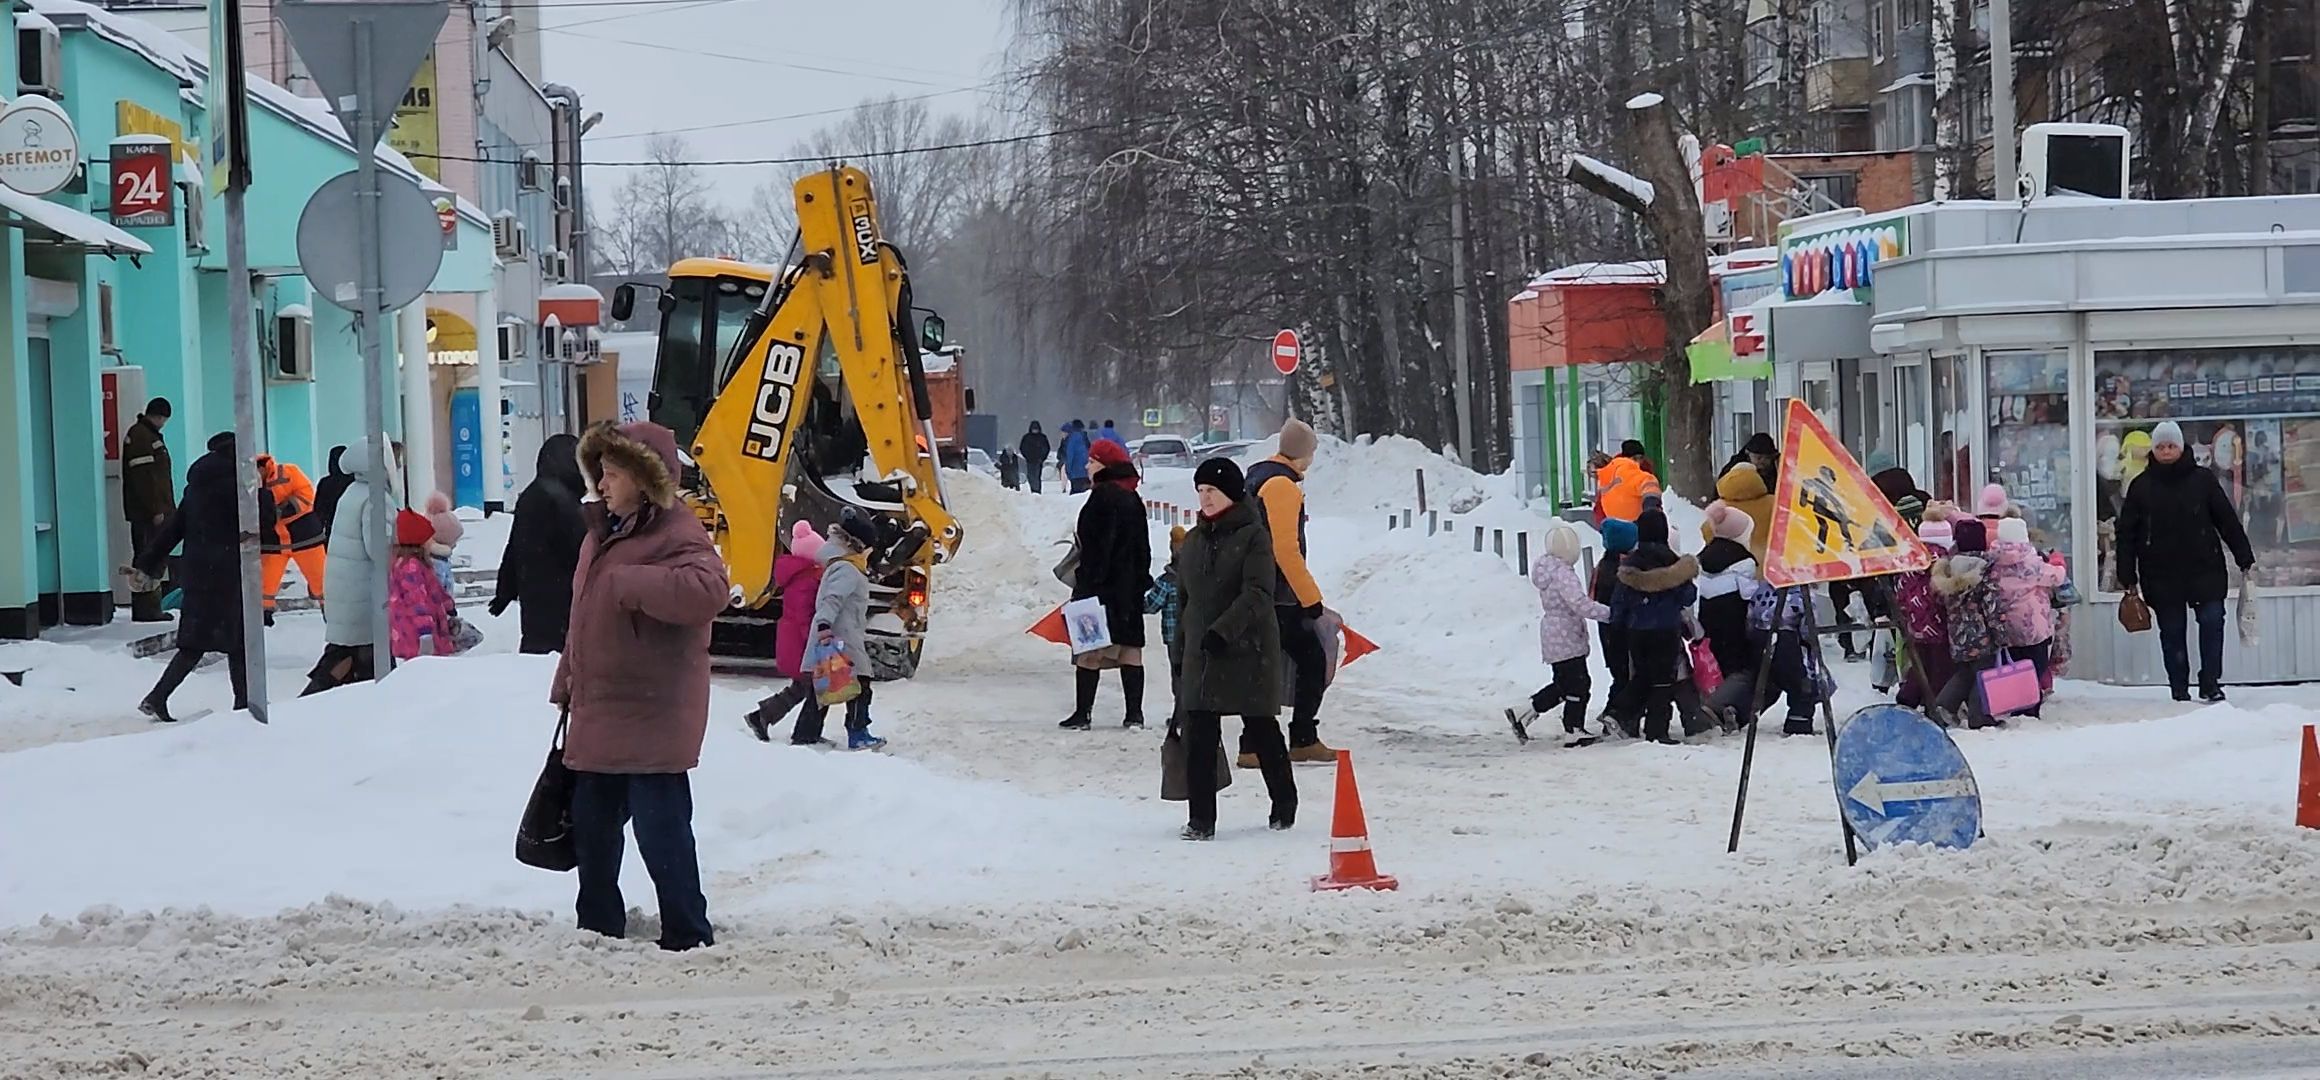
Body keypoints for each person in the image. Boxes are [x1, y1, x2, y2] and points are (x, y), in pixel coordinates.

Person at [553, 420, 730, 951]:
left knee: (662, 833)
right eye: (600, 474)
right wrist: (568, 677)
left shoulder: (676, 531)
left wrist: (635, 584)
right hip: (602, 708)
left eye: (610, 475)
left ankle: (687, 933)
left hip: (653, 714)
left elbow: (710, 590)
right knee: (592, 830)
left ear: (641, 478)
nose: (601, 486)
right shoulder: (601, 534)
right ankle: (599, 930)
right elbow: (584, 615)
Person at [1175, 457, 1296, 840]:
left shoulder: (1254, 536)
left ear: (1229, 492)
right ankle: (1201, 820)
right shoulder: (1194, 540)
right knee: (1199, 735)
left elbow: (1259, 593)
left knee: (1260, 727)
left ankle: (1284, 805)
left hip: (1247, 648)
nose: (1204, 498)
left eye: (1211, 490)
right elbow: (1185, 599)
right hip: (1202, 653)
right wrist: (1181, 646)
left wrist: (1224, 630)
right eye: (1200, 491)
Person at [133, 432, 272, 722]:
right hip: (229, 573)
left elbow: (173, 529)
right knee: (233, 638)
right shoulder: (239, 486)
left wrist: (147, 561)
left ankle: (238, 702)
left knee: (206, 640)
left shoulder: (197, 488)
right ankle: (239, 703)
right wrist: (263, 489)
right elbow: (266, 520)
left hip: (198, 572)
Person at [2114, 420, 2256, 703]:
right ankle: (2179, 687)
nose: (2166, 451)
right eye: (2161, 446)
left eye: (2172, 446)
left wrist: (2244, 557)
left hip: (2205, 567)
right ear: (2153, 450)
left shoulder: (2203, 480)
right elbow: (2126, 534)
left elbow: (2226, 520)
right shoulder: (2141, 486)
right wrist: (2127, 575)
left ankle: (2210, 682)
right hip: (2161, 573)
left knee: (2213, 620)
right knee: (2172, 630)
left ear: (2181, 447)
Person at [1245, 418, 1336, 763]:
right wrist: (1311, 601)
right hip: (1279, 594)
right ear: (1303, 454)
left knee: (1261, 666)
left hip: (1256, 588)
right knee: (1312, 660)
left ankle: (1251, 744)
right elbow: (1285, 549)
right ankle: (1301, 738)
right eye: (1311, 451)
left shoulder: (1256, 477)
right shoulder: (1281, 486)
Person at [1060, 438, 1153, 729]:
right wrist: (1138, 580)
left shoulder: (1101, 498)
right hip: (1128, 589)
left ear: (1103, 464)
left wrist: (1086, 584)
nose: (1087, 465)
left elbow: (1097, 546)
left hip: (1099, 587)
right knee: (1130, 649)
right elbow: (1143, 548)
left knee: (1089, 650)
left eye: (1091, 460)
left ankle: (1082, 713)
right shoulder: (1132, 496)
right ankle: (1134, 714)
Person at [308, 437, 400, 695]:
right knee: (366, 660)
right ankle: (306, 706)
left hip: (347, 589)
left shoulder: (353, 492)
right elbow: (378, 549)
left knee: (349, 656)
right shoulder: (375, 499)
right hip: (364, 594)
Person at [1508, 524, 1610, 745]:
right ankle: (1573, 728)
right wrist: (1609, 614)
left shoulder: (1548, 570)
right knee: (1578, 684)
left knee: (1564, 683)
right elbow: (1578, 603)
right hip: (1567, 634)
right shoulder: (1563, 573)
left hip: (1553, 632)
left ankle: (1523, 712)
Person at [1608, 509, 1701, 744]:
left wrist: (1617, 625)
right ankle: (1656, 730)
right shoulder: (1672, 562)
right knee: (1662, 681)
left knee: (1642, 675)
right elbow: (1688, 596)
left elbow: (1619, 601)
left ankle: (1618, 712)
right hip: (1665, 629)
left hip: (1636, 631)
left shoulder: (1631, 563)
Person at [489, 434, 587, 655]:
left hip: (535, 596)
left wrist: (505, 590)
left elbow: (514, 547)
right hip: (564, 597)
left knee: (538, 651)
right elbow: (581, 550)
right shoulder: (564, 502)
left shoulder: (532, 495)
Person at [805, 513, 887, 751]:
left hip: (841, 632)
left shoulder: (842, 565)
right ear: (858, 546)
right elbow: (833, 599)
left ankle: (807, 734)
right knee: (860, 684)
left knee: (824, 686)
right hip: (842, 636)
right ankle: (858, 733)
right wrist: (824, 625)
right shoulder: (848, 569)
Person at [746, 520, 830, 745]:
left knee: (804, 686)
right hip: (801, 642)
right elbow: (805, 615)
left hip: (793, 639)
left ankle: (763, 717)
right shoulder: (806, 580)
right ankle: (793, 728)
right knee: (809, 686)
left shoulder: (799, 576)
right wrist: (814, 642)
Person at [1928, 519, 2009, 728]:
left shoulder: (1949, 569)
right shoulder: (1983, 570)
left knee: (1965, 672)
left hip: (1957, 634)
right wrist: (2000, 633)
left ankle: (1944, 706)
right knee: (1984, 674)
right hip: (1982, 635)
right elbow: (1992, 606)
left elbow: (1940, 600)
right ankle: (1979, 716)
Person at [1989, 516, 2067, 717]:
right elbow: (2057, 577)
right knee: (2036, 667)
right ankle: (2030, 707)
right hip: (2033, 626)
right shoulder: (2030, 562)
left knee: (2014, 666)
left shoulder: (1992, 561)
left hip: (2006, 625)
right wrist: (2058, 562)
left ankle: (2016, 704)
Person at [1695, 504, 1761, 732]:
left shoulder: (1705, 557)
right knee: (1744, 670)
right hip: (1735, 619)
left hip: (1709, 617)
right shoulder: (1744, 562)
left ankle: (1724, 707)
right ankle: (1718, 706)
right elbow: (1750, 594)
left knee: (1720, 664)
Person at [121, 397, 176, 623]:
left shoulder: (147, 435)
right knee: (147, 555)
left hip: (153, 510)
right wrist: (155, 509)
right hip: (148, 513)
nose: (163, 423)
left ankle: (151, 606)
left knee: (152, 554)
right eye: (162, 418)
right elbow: (145, 479)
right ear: (157, 415)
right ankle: (147, 609)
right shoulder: (142, 437)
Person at [256, 453, 329, 618]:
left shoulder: (289, 472)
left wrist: (281, 511)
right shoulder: (250, 485)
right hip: (273, 542)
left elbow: (307, 495)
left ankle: (332, 612)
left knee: (322, 581)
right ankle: (263, 613)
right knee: (265, 584)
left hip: (305, 538)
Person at [387, 509, 457, 661]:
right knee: (422, 668)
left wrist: (448, 606)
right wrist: (425, 630)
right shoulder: (410, 567)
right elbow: (416, 601)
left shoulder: (416, 564)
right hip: (415, 632)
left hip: (421, 628)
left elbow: (434, 590)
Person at [1592, 517, 1638, 726]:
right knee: (1624, 674)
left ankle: (1614, 711)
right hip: (1618, 629)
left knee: (1619, 674)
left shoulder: (1604, 564)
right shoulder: (1620, 569)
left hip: (1607, 629)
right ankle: (1615, 714)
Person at [1144, 526, 1189, 727]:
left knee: (1178, 676)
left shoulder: (1166, 582)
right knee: (1193, 675)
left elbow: (1151, 606)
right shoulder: (1199, 578)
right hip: (1195, 634)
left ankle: (1181, 715)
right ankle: (1193, 712)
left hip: (1173, 637)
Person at [1696, 460, 1774, 563]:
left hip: (1732, 565)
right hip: (1768, 565)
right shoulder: (1774, 503)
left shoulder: (1720, 508)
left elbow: (1707, 533)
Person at [1595, 441, 1661, 524]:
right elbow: (1600, 502)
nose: (1638, 461)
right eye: (1634, 458)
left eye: (1641, 458)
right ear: (1626, 458)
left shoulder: (1645, 470)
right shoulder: (1612, 472)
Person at [313, 445, 356, 538]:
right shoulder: (355, 481)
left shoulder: (325, 483)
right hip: (352, 527)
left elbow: (318, 510)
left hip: (331, 528)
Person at [1060, 420, 1094, 494]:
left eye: (1063, 432)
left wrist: (1068, 470)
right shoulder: (1083, 437)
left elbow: (1070, 457)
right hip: (1085, 471)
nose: (1062, 435)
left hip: (1076, 472)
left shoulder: (1071, 440)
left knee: (1076, 496)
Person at [1019, 422, 1051, 494]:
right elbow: (1022, 448)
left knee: (1037, 476)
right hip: (1030, 460)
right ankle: (1033, 489)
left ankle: (1037, 490)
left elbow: (1046, 448)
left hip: (1039, 460)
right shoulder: (1027, 437)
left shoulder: (1042, 438)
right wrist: (1026, 456)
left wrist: (1042, 458)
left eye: (1036, 429)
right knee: (1030, 476)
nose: (1035, 431)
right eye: (1034, 429)